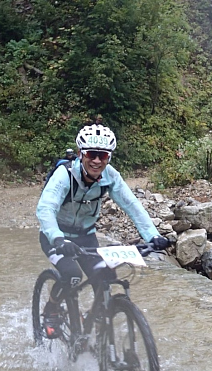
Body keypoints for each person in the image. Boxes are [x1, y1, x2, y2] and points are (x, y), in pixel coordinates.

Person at [35, 124, 169, 338]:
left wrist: (152, 236)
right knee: (71, 275)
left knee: (105, 274)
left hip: (86, 236)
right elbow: (45, 208)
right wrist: (58, 238)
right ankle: (51, 308)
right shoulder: (65, 175)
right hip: (56, 237)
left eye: (103, 156)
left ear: (109, 157)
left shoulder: (110, 176)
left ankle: (94, 321)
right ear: (81, 154)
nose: (97, 160)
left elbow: (131, 205)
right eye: (92, 154)